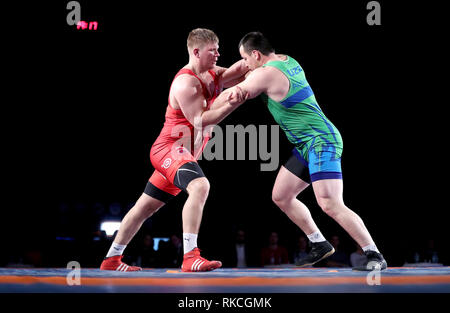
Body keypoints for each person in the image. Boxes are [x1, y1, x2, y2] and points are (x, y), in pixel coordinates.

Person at [210, 32, 387, 271]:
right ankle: (319, 244)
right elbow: (243, 70)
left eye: (245, 58)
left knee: (330, 203)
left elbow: (234, 93)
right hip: (306, 144)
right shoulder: (286, 60)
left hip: (321, 141)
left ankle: (374, 254)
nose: (244, 64)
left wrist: (200, 113)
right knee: (282, 196)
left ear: (256, 54)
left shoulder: (265, 74)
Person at [100, 28, 249, 272]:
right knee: (200, 186)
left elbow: (239, 71)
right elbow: (202, 121)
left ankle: (111, 259)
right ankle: (191, 256)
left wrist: (262, 61)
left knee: (142, 209)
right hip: (169, 150)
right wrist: (233, 103)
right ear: (196, 51)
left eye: (218, 48)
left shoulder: (213, 74)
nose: (218, 54)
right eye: (213, 50)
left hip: (182, 155)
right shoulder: (186, 83)